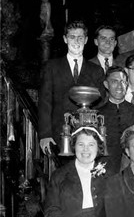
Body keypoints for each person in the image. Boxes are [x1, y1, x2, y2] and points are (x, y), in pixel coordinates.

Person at [38, 20, 105, 155]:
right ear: (65, 39)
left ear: (86, 40)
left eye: (80, 37)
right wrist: (45, 134)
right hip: (58, 134)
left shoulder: (96, 70)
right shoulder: (51, 67)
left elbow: (101, 102)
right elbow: (45, 102)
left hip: (88, 135)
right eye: (72, 37)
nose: (76, 41)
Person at [99, 66, 134, 171]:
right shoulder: (98, 114)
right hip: (106, 171)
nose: (120, 86)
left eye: (123, 82)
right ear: (106, 84)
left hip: (133, 169)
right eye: (114, 81)